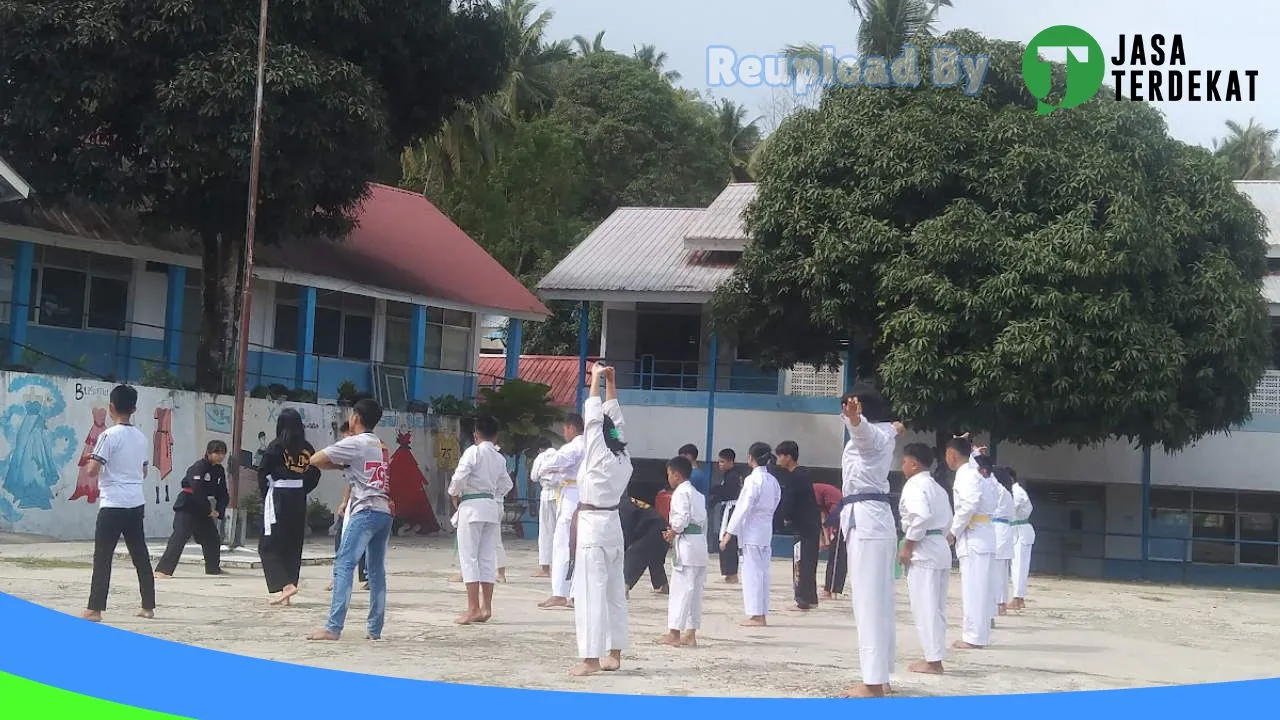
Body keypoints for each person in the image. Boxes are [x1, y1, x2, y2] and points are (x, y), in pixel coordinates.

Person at [307, 399, 395, 641]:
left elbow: (316, 459)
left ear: (355, 418)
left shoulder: (355, 443)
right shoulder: (382, 444)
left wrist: (341, 464)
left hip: (364, 509)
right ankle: (374, 629)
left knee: (344, 564)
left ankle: (333, 626)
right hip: (384, 510)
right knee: (376, 570)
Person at [835, 387, 903, 698]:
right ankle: (881, 675)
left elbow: (865, 436)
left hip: (868, 520)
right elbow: (886, 430)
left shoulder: (870, 434)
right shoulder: (884, 433)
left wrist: (856, 420)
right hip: (870, 518)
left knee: (870, 602)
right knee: (879, 600)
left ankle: (874, 682)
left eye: (847, 408)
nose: (844, 414)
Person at [569, 363, 632, 677]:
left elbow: (594, 417)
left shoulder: (597, 452)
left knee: (590, 592)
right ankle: (614, 653)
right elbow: (613, 418)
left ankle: (590, 658)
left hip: (594, 524)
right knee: (613, 592)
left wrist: (595, 378)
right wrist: (611, 383)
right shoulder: (623, 455)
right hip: (613, 524)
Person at [81, 385, 155, 623]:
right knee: (140, 554)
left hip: (112, 503)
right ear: (134, 408)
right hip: (135, 503)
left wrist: (92, 462)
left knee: (103, 556)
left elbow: (92, 470)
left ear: (111, 407)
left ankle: (95, 608)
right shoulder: (141, 437)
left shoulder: (108, 436)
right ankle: (148, 606)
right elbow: (143, 472)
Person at [446, 415, 512, 625]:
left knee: (469, 557)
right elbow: (506, 484)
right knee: (486, 558)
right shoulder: (499, 458)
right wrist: (492, 492)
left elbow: (458, 477)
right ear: (496, 435)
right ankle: (486, 608)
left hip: (472, 506)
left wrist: (454, 493)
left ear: (476, 435)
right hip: (491, 507)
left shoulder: (473, 452)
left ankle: (473, 608)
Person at [897, 443, 952, 675]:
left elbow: (920, 516)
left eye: (904, 462)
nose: (902, 467)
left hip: (924, 547)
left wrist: (908, 545)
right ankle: (935, 654)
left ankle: (933, 660)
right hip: (939, 544)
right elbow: (949, 518)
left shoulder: (914, 485)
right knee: (936, 605)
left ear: (914, 463)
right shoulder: (937, 487)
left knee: (925, 605)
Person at [257, 408, 321, 606]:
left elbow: (262, 472)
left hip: (278, 497)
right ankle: (289, 590)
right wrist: (302, 488)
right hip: (298, 498)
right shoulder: (308, 448)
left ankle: (285, 584)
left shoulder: (276, 446)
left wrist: (265, 494)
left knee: (267, 546)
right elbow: (316, 472)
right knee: (293, 543)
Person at [721, 441, 781, 628]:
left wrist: (729, 533)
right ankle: (761, 612)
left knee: (752, 573)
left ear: (751, 458)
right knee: (762, 573)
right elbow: (777, 500)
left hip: (753, 531)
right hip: (765, 529)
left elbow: (742, 507)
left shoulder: (753, 480)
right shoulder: (772, 480)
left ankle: (756, 615)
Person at [946, 436, 998, 650]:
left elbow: (968, 505)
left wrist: (953, 531)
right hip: (981, 533)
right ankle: (978, 635)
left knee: (975, 588)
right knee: (980, 588)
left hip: (975, 534)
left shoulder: (966, 474)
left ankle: (973, 637)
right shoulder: (976, 474)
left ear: (952, 455)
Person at [155, 440, 229, 578]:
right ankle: (163, 570)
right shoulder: (198, 467)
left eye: (223, 453)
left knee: (212, 538)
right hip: (188, 505)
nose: (220, 456)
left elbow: (223, 492)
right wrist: (208, 510)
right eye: (217, 453)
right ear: (208, 453)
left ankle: (213, 568)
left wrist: (219, 510)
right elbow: (197, 489)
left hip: (203, 507)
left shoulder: (219, 471)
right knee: (180, 535)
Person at [657, 455, 707, 648]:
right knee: (694, 591)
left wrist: (673, 531)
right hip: (699, 543)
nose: (668, 477)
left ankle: (674, 632)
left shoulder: (680, 493)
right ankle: (691, 633)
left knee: (680, 589)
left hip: (686, 544)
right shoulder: (697, 494)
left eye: (669, 474)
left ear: (676, 475)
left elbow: (682, 517)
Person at [538, 413, 585, 609]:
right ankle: (574, 593)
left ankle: (560, 592)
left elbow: (552, 462)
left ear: (571, 428)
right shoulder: (593, 445)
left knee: (563, 544)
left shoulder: (574, 446)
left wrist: (549, 468)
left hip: (572, 496)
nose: (564, 433)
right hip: (584, 496)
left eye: (565, 429)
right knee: (579, 547)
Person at [774, 440, 820, 611]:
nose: (778, 459)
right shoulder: (804, 473)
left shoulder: (795, 476)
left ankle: (802, 600)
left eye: (780, 455)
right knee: (809, 562)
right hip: (810, 524)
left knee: (801, 562)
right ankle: (811, 598)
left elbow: (789, 501)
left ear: (788, 457)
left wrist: (779, 519)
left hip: (803, 526)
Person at [325, 422, 367, 593]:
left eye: (346, 437)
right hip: (356, 501)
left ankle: (343, 576)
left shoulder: (361, 450)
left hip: (363, 502)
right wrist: (344, 501)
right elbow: (349, 481)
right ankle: (340, 575)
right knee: (345, 537)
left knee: (354, 539)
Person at [620, 491, 669, 595]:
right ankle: (662, 585)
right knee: (654, 558)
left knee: (634, 553)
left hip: (654, 529)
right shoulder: (627, 501)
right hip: (661, 527)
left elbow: (627, 529)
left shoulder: (622, 505)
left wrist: (625, 546)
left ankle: (624, 587)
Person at [710, 448, 743, 584]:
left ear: (731, 462)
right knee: (726, 539)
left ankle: (731, 573)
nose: (720, 464)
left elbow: (726, 492)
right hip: (728, 508)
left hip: (731, 509)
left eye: (723, 462)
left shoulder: (733, 476)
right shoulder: (729, 476)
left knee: (727, 539)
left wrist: (714, 497)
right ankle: (728, 572)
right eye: (719, 462)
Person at [530, 437, 559, 578]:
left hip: (547, 494)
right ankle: (562, 566)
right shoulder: (560, 454)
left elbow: (534, 477)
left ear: (540, 449)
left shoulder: (541, 457)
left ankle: (545, 568)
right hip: (561, 495)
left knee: (546, 531)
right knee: (561, 531)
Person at [991, 464, 1016, 619]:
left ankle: (999, 603)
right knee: (1002, 571)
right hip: (1005, 530)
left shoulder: (998, 491)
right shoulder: (1007, 493)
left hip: (997, 529)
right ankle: (1001, 603)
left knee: (997, 571)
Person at [1009, 468, 1035, 610]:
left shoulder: (1017, 492)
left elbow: (1010, 509)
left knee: (1020, 565)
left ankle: (1018, 598)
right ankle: (1018, 597)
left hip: (1021, 531)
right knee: (1016, 565)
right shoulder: (1014, 491)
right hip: (1016, 530)